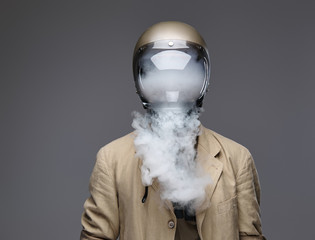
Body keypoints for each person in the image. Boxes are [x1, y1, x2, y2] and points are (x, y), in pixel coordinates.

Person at [80, 21, 266, 240]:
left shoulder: (237, 159)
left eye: (183, 77)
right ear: (141, 82)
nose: (172, 88)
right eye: (161, 77)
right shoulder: (112, 160)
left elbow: (251, 237)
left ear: (203, 80)